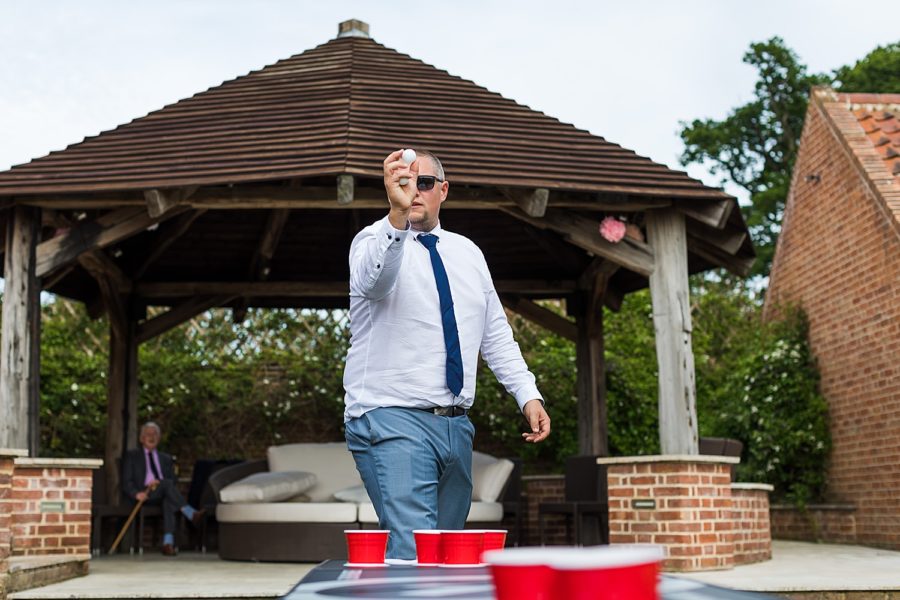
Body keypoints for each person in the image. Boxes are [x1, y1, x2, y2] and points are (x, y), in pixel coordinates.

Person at [343, 149, 551, 559]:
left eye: (422, 183)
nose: (413, 191)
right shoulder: (373, 240)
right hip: (391, 415)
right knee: (414, 550)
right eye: (403, 183)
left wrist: (528, 394)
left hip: (456, 426)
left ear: (443, 190)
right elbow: (374, 282)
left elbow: (494, 334)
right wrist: (396, 219)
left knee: (443, 555)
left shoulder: (468, 253)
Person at [121, 421, 204, 556]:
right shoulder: (132, 456)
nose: (151, 437)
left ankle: (167, 543)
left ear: (158, 439)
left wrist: (160, 483)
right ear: (142, 438)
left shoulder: (166, 458)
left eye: (155, 434)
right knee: (166, 486)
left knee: (168, 497)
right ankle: (189, 512)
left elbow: (173, 479)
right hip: (144, 493)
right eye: (148, 434)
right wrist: (136, 494)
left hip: (162, 492)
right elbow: (126, 480)